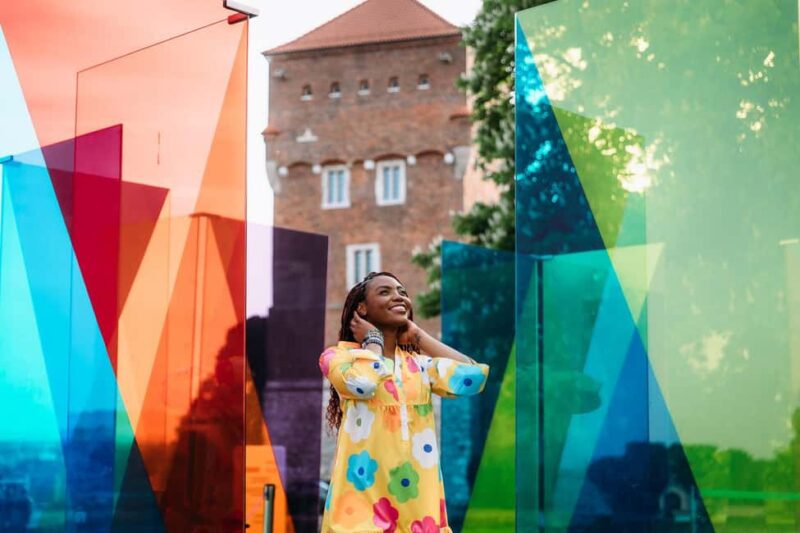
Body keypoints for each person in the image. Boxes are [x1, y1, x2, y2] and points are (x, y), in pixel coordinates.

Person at [318, 271, 490, 532]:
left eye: (402, 292)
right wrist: (373, 341)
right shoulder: (339, 358)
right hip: (361, 514)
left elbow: (473, 377)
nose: (398, 297)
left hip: (420, 513)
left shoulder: (419, 366)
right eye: (385, 292)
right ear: (361, 309)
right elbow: (363, 384)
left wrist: (419, 336)